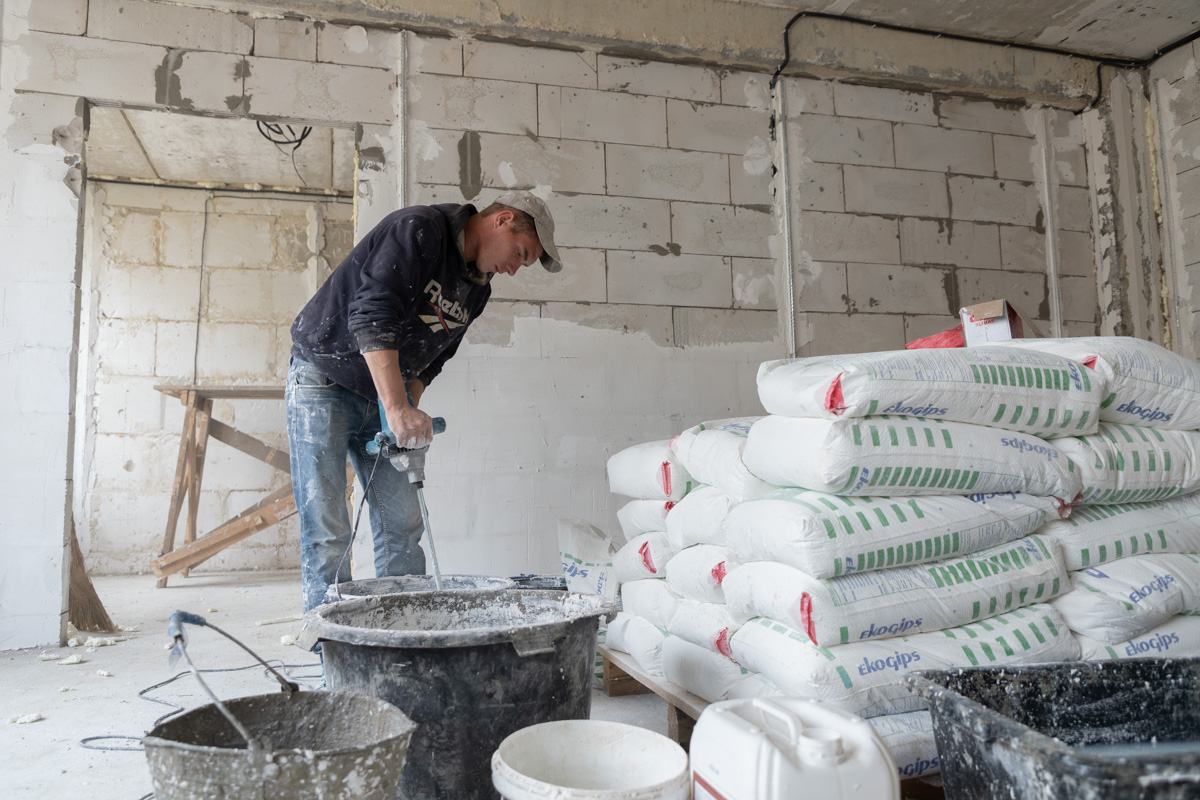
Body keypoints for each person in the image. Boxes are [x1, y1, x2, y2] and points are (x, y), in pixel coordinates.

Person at [286, 190, 561, 613]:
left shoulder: (477, 289)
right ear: (503, 219)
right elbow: (372, 314)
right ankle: (331, 643)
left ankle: (402, 633)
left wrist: (407, 409)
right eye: (520, 253)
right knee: (328, 530)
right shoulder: (420, 229)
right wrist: (397, 408)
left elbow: (434, 357)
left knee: (402, 527)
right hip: (325, 377)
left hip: (383, 394)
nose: (513, 269)